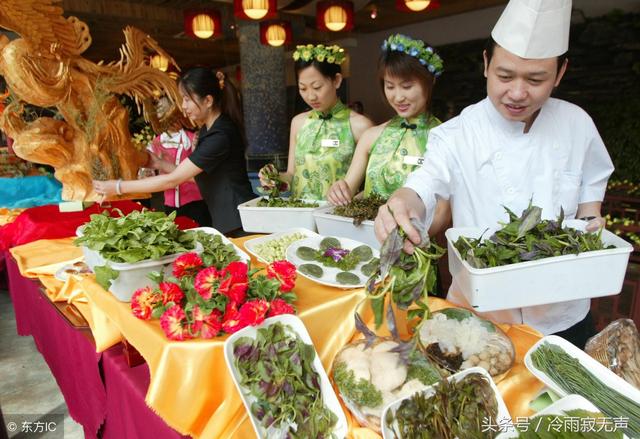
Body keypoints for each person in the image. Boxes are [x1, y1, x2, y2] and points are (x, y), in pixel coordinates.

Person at [374, 0, 614, 349]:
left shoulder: (577, 123)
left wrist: (591, 221)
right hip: (479, 318)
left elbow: (591, 186)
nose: (517, 93)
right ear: (486, 65)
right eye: (505, 76)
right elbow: (426, 183)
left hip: (564, 315)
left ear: (560, 73)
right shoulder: (457, 133)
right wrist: (403, 200)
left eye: (536, 79)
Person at [93, 68, 255, 234]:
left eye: (187, 99)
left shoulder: (220, 135)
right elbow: (194, 176)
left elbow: (173, 180)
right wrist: (160, 163)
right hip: (229, 218)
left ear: (208, 100)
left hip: (240, 220)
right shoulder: (209, 130)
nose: (183, 107)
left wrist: (118, 187)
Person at [327, 34, 450, 233]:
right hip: (366, 240)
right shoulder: (371, 136)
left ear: (430, 82)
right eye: (390, 86)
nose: (398, 96)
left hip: (416, 247)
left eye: (407, 86)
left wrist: (408, 238)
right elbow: (349, 188)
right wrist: (339, 190)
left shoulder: (445, 138)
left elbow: (443, 214)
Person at [282, 44, 373, 201]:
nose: (311, 97)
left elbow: (372, 186)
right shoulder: (298, 123)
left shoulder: (360, 126)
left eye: (317, 87)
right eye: (303, 88)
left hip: (337, 217)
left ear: (336, 81)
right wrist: (276, 180)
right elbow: (291, 175)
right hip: (299, 216)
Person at [146, 96, 210, 227]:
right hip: (170, 203)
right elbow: (150, 172)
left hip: (195, 200)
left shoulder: (192, 139)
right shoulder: (156, 143)